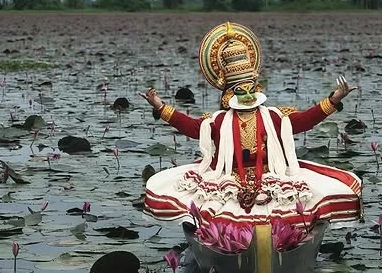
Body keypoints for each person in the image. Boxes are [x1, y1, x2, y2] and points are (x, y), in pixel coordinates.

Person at [140, 21, 361, 225]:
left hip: (271, 175)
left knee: (307, 200)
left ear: (257, 88)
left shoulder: (274, 117)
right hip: (228, 178)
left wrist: (334, 99)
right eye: (240, 90)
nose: (246, 96)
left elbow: (306, 120)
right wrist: (160, 106)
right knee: (211, 209)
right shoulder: (217, 121)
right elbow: (190, 127)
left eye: (250, 89)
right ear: (228, 93)